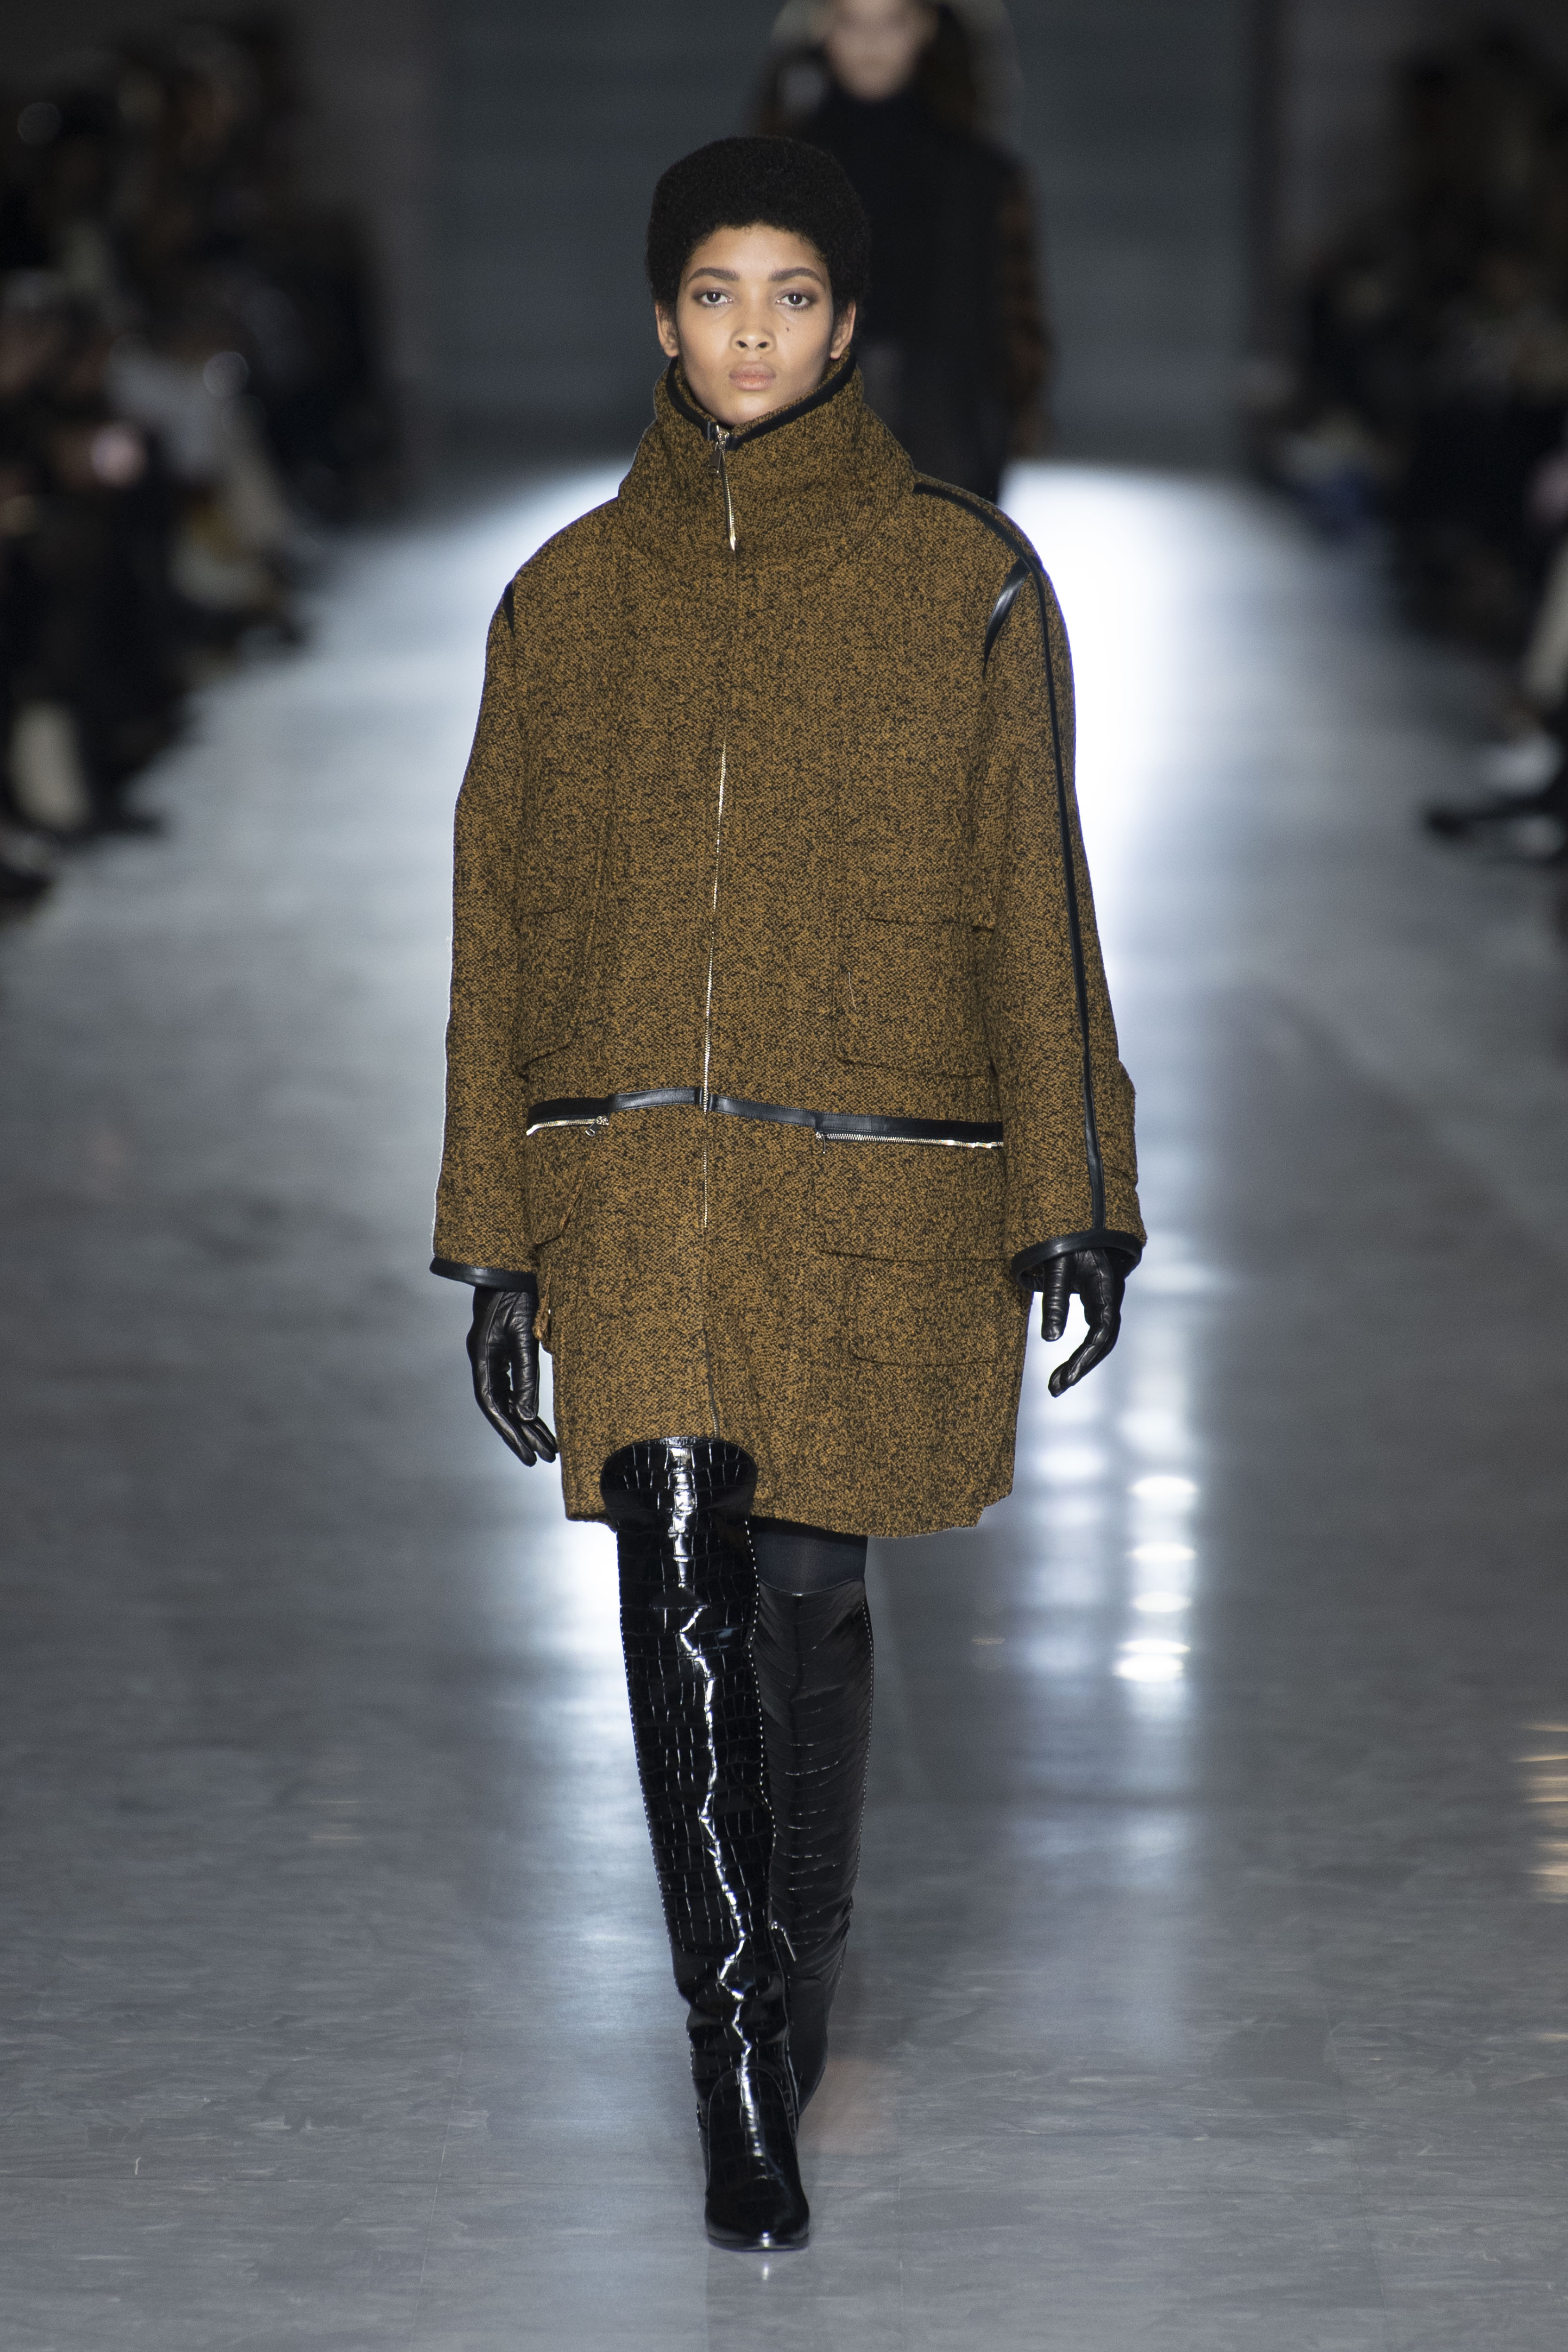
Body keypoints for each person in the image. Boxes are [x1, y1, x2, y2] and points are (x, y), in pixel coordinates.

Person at [430, 136, 1142, 2253]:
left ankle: (796, 1963)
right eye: (718, 293)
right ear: (661, 317)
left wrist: (1074, 1184)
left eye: (795, 295)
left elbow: (1035, 890)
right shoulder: (566, 597)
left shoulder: (963, 579)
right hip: (638, 1171)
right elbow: (498, 929)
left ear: (847, 326)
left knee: (808, 1592)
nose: (753, 333)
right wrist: (496, 1230)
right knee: (675, 1555)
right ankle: (736, 2055)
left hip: (871, 1172)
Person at [759, 0, 1050, 500]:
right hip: (806, 440)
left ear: (924, 27)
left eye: (891, 23)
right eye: (852, 23)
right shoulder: (771, 178)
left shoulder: (982, 178)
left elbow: (1014, 315)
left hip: (950, 440)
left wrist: (1014, 414)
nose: (871, 44)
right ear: (822, 27)